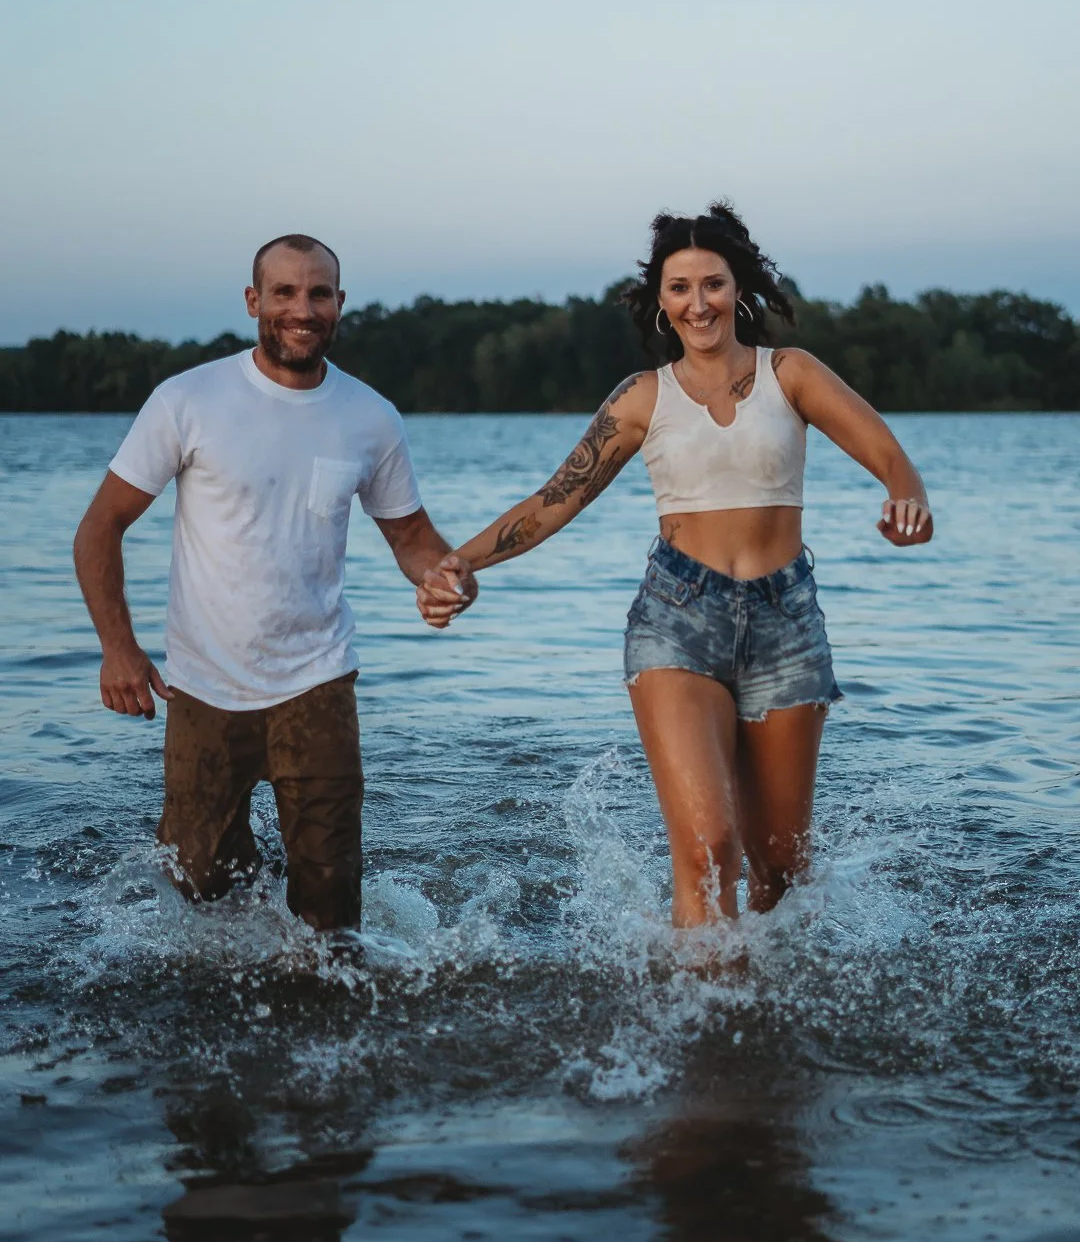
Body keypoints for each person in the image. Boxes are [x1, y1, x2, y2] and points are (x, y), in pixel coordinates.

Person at [417, 202, 932, 927]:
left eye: (713, 284)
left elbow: (889, 457)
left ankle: (761, 1022)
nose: (699, 303)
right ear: (661, 302)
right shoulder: (641, 398)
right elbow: (552, 501)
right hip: (677, 619)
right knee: (707, 849)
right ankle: (699, 1024)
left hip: (787, 625)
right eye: (681, 288)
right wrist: (457, 563)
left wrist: (907, 501)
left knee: (782, 869)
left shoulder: (793, 374)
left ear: (739, 290)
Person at [74, 233, 475, 930]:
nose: (302, 308)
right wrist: (119, 648)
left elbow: (411, 539)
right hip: (204, 686)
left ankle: (324, 1005)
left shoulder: (370, 417)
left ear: (340, 306)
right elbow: (99, 528)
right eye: (285, 292)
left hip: (318, 683)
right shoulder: (188, 399)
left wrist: (447, 579)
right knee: (201, 887)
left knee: (330, 907)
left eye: (319, 293)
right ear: (254, 300)